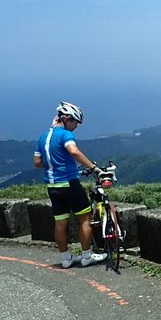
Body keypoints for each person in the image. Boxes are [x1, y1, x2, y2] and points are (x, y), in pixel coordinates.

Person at [33, 102, 108, 268]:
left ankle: (66, 259)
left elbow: (37, 162)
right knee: (85, 217)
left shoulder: (43, 137)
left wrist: (55, 164)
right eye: (75, 122)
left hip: (53, 187)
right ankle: (87, 256)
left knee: (60, 223)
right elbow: (73, 151)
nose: (76, 126)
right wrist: (94, 168)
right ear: (66, 118)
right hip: (69, 183)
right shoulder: (65, 135)